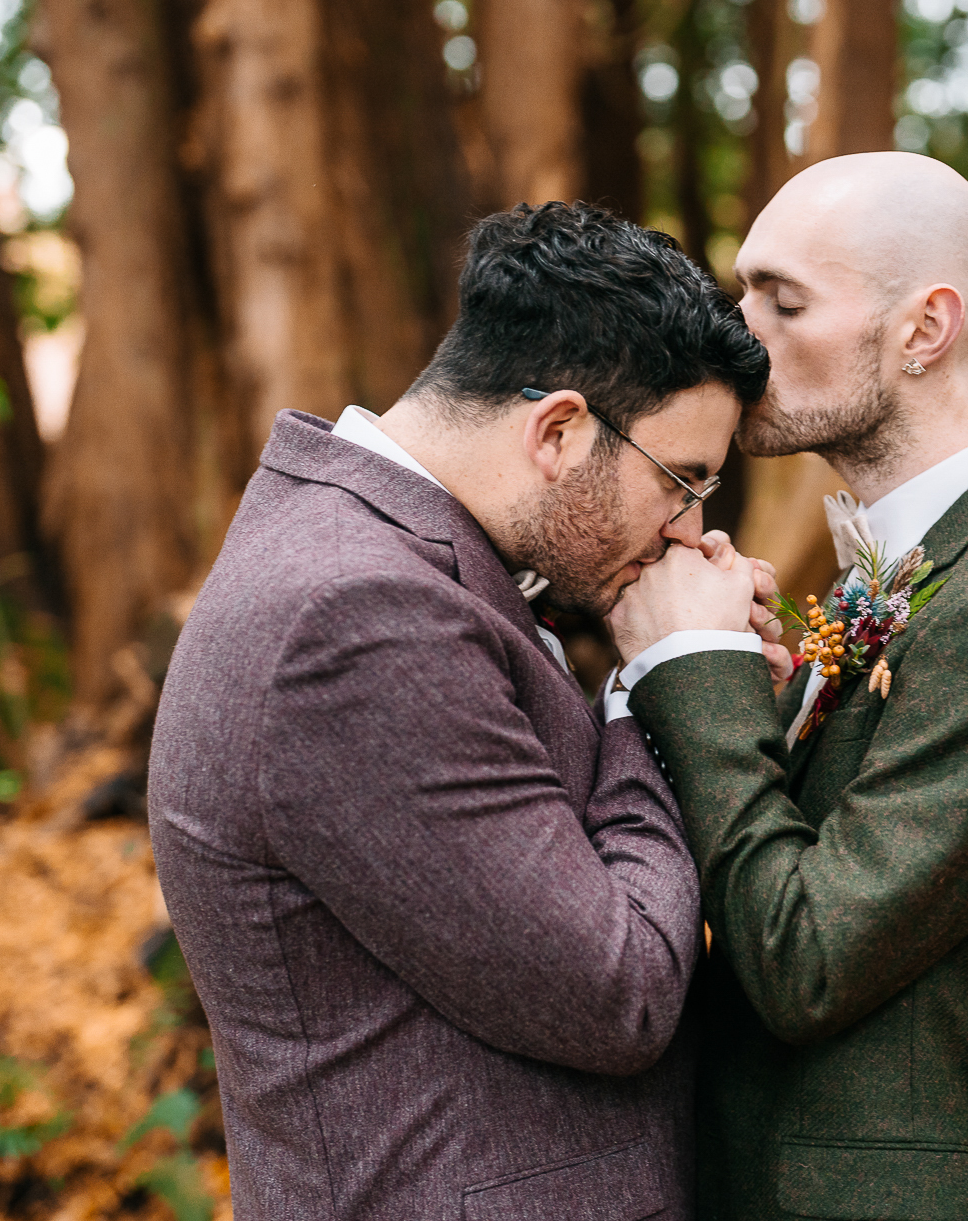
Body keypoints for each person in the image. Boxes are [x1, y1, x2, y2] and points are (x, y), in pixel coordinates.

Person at [147, 202, 769, 1221]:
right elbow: (619, 990)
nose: (689, 527)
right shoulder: (356, 614)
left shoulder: (390, 554)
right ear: (560, 430)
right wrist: (667, 674)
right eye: (681, 479)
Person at [607, 152, 968, 1221]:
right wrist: (749, 706)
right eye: (741, 287)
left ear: (923, 329)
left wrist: (690, 678)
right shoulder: (915, 569)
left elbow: (808, 956)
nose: (738, 327)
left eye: (783, 299)